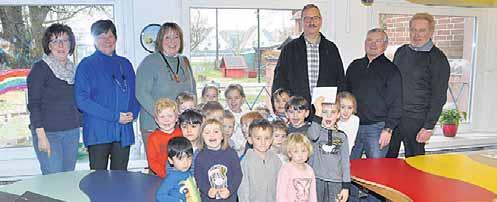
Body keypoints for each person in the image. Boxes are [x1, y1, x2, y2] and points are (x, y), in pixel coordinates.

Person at [75, 20, 140, 170]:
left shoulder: (125, 64)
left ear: (116, 39)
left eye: (110, 36)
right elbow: (82, 100)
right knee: (99, 182)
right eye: (101, 36)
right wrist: (115, 116)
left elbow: (135, 94)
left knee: (121, 180)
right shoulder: (86, 65)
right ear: (94, 41)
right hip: (98, 132)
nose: (107, 40)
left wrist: (133, 113)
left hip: (123, 131)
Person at [387, 13, 450, 158]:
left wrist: (428, 126)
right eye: (413, 30)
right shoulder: (402, 51)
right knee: (387, 160)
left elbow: (439, 96)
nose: (417, 34)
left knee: (415, 166)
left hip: (417, 121)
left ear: (431, 31)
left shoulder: (438, 59)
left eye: (422, 30)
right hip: (395, 118)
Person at [27, 23, 81, 175]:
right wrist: (41, 136)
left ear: (71, 44)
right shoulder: (40, 68)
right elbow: (34, 105)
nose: (61, 45)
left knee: (67, 177)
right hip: (48, 134)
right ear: (49, 46)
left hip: (71, 133)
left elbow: (77, 103)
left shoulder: (74, 70)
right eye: (56, 41)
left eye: (65, 40)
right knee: (53, 178)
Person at [272, 4, 345, 113]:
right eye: (307, 18)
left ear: (320, 21)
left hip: (325, 113)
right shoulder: (289, 49)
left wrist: (341, 106)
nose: (312, 22)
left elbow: (340, 80)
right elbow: (279, 79)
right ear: (302, 21)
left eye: (315, 18)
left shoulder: (331, 49)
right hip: (296, 112)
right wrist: (279, 106)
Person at [136, 22, 196, 156]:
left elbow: (193, 92)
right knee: (159, 168)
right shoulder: (150, 62)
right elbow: (141, 93)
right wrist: (163, 117)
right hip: (155, 126)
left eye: (176, 37)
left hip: (181, 126)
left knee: (181, 165)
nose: (172, 41)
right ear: (160, 41)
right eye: (167, 38)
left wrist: (190, 117)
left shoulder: (185, 62)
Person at [346, 28, 402, 159]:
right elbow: (345, 95)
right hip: (352, 126)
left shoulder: (391, 70)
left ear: (385, 45)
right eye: (369, 40)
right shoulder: (355, 66)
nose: (373, 44)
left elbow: (397, 102)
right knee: (348, 168)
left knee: (376, 171)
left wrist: (388, 129)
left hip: (377, 129)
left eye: (378, 41)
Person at [308, 97, 350, 202]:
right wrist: (317, 113)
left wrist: (346, 187)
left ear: (338, 115)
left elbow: (345, 163)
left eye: (333, 112)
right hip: (317, 179)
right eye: (324, 112)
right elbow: (313, 136)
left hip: (336, 182)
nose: (328, 115)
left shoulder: (342, 136)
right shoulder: (315, 131)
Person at [194, 119, 242, 202]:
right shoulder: (200, 157)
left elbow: (237, 175)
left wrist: (229, 190)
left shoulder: (231, 153)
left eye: (216, 132)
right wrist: (207, 190)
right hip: (208, 199)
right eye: (207, 133)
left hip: (229, 199)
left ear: (222, 136)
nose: (212, 135)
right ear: (202, 137)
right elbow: (199, 178)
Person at [238, 119, 282, 202]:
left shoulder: (276, 160)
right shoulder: (246, 161)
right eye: (258, 138)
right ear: (250, 140)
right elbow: (243, 188)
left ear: (271, 139)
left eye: (267, 138)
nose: (263, 142)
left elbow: (280, 185)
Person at [156, 137, 200, 202]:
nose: (186, 162)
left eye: (189, 157)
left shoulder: (189, 173)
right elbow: (160, 195)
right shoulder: (172, 177)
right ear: (170, 160)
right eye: (180, 159)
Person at [276, 133, 317, 202]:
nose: (300, 155)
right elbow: (281, 195)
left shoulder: (310, 170)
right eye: (296, 151)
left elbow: (313, 194)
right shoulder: (286, 170)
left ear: (308, 151)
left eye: (303, 151)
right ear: (289, 153)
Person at [147, 98, 182, 178]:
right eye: (162, 117)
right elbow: (152, 161)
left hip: (181, 174)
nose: (166, 120)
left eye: (170, 116)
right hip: (162, 176)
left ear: (176, 118)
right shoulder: (153, 138)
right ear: (156, 120)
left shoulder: (181, 133)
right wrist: (165, 174)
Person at [179, 109, 204, 173]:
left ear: (201, 127)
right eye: (184, 127)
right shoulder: (177, 148)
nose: (189, 130)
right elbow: (170, 171)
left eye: (193, 126)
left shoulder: (206, 149)